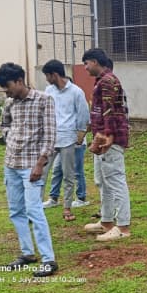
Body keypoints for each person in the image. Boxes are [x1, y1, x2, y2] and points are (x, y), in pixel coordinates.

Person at [0, 63, 57, 274]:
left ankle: (49, 259)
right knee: (16, 211)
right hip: (11, 163)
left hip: (31, 165)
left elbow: (50, 135)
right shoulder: (10, 102)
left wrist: (40, 163)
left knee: (34, 210)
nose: (6, 91)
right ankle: (27, 252)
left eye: (7, 86)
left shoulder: (44, 100)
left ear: (19, 81)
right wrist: (9, 137)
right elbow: (4, 124)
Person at [82, 46, 131, 243]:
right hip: (102, 138)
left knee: (115, 180)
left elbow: (111, 110)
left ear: (94, 61)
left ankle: (123, 227)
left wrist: (108, 136)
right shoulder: (102, 81)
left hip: (109, 139)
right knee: (102, 181)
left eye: (86, 63)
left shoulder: (108, 81)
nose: (85, 68)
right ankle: (107, 221)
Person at [40, 60, 89, 219]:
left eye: (47, 76)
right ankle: (36, 207)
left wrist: (80, 136)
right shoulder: (48, 90)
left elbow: (83, 115)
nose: (46, 79)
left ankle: (67, 208)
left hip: (68, 138)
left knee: (69, 175)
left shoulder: (76, 91)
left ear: (54, 74)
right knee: (42, 173)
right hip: (50, 138)